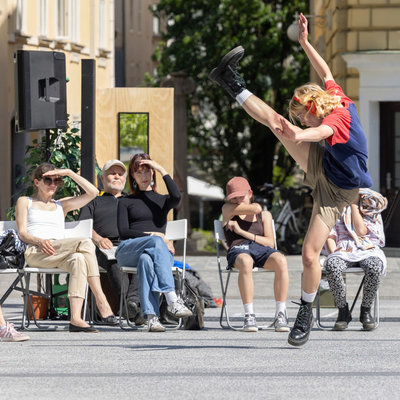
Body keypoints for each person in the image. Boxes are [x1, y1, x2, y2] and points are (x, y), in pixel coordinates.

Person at [209, 13, 372, 346]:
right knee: (278, 122)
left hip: (339, 191)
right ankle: (230, 82)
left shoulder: (336, 120)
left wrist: (299, 130)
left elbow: (313, 133)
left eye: (304, 114)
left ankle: (305, 312)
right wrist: (304, 42)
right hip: (325, 165)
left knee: (310, 255)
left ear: (314, 108)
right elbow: (326, 71)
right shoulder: (334, 96)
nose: (303, 117)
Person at [16, 163, 118, 333]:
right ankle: (101, 300)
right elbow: (22, 233)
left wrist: (69, 173)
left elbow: (93, 192)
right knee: (85, 242)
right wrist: (40, 241)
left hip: (59, 253)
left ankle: (76, 319)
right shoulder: (25, 202)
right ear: (36, 182)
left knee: (78, 259)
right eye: (48, 180)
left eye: (57, 180)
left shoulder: (61, 205)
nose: (53, 184)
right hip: (36, 251)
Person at [115, 153, 192, 332]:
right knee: (157, 242)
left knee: (146, 261)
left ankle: (151, 317)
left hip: (152, 254)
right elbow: (123, 232)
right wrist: (153, 234)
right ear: (133, 177)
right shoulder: (125, 201)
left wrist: (161, 168)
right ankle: (172, 299)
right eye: (138, 172)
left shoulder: (162, 200)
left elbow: (176, 196)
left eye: (147, 171)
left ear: (153, 173)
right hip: (127, 251)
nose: (143, 176)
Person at [79, 159, 145, 325]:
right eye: (112, 173)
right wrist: (98, 239)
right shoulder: (92, 200)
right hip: (102, 248)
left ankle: (132, 304)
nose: (117, 177)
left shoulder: (134, 202)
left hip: (130, 245)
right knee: (115, 260)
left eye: (120, 174)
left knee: (145, 257)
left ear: (125, 179)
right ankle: (130, 308)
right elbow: (82, 226)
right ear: (102, 179)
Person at [222, 177, 290, 332]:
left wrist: (241, 232)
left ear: (250, 193)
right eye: (234, 198)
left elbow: (270, 243)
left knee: (280, 259)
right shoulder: (227, 209)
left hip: (260, 250)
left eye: (242, 196)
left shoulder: (264, 215)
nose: (238, 201)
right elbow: (254, 208)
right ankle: (249, 315)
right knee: (246, 261)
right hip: (238, 250)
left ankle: (281, 313)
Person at [324, 189, 387, 331]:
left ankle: (366, 310)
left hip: (366, 247)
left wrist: (353, 206)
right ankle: (343, 311)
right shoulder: (334, 205)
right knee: (332, 265)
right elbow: (330, 235)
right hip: (343, 247)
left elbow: (361, 232)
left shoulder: (370, 205)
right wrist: (334, 253)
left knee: (374, 266)